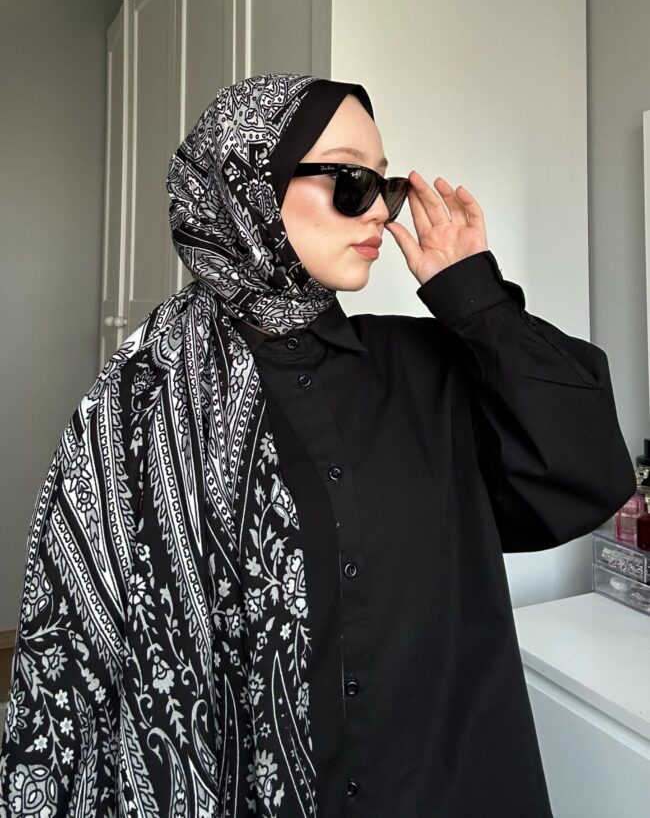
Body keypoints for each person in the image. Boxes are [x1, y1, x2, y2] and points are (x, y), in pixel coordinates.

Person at [0, 72, 636, 817]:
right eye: (352, 181)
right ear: (246, 187)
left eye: (384, 185)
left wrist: (477, 299)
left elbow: (587, 477)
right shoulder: (139, 402)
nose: (381, 211)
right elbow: (77, 659)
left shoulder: (427, 368)